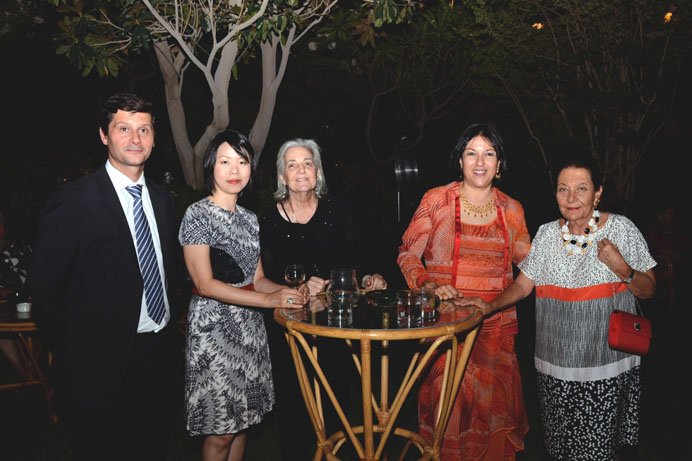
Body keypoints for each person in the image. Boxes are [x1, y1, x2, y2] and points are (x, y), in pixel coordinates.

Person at [461, 157, 656, 460]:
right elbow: (523, 286)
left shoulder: (621, 229)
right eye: (563, 189)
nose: (571, 198)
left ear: (598, 193)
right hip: (554, 370)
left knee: (596, 453)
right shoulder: (547, 234)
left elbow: (649, 289)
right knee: (561, 451)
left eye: (581, 189)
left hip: (603, 368)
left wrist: (623, 269)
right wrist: (488, 306)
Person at [30, 93, 179, 461]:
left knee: (152, 450)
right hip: (96, 365)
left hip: (157, 356)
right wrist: (72, 355)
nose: (135, 139)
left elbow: (167, 273)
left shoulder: (163, 201)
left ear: (154, 137)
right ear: (103, 135)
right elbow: (46, 290)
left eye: (144, 129)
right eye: (123, 129)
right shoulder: (73, 201)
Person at [397, 123, 531, 460]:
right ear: (460, 161)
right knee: (447, 420)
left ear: (499, 164)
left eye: (489, 154)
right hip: (445, 330)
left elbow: (530, 270)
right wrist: (428, 285)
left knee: (493, 422)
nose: (480, 162)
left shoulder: (512, 210)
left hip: (494, 333)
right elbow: (408, 253)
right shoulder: (436, 200)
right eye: (471, 153)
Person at [179, 129, 307, 461]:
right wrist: (269, 301)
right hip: (214, 333)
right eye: (225, 162)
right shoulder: (198, 214)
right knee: (221, 431)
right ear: (211, 166)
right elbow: (204, 284)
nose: (234, 170)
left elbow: (258, 279)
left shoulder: (250, 220)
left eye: (242, 161)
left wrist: (289, 292)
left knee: (242, 424)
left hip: (250, 331)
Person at [259, 138, 385, 459]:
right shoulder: (267, 220)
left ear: (318, 171)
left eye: (308, 163)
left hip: (335, 327)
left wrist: (367, 278)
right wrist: (297, 289)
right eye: (292, 165)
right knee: (295, 406)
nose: (301, 171)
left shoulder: (339, 210)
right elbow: (261, 280)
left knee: (336, 404)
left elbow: (356, 262)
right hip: (289, 331)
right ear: (282, 176)